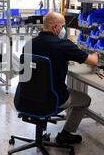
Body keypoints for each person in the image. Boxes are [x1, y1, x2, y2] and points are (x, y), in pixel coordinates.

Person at [23, 11, 98, 144]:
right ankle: (65, 134)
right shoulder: (64, 45)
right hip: (52, 99)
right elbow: (92, 61)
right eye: (62, 26)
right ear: (55, 27)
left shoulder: (28, 44)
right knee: (85, 99)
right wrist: (96, 54)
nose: (63, 29)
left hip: (26, 97)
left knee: (59, 87)